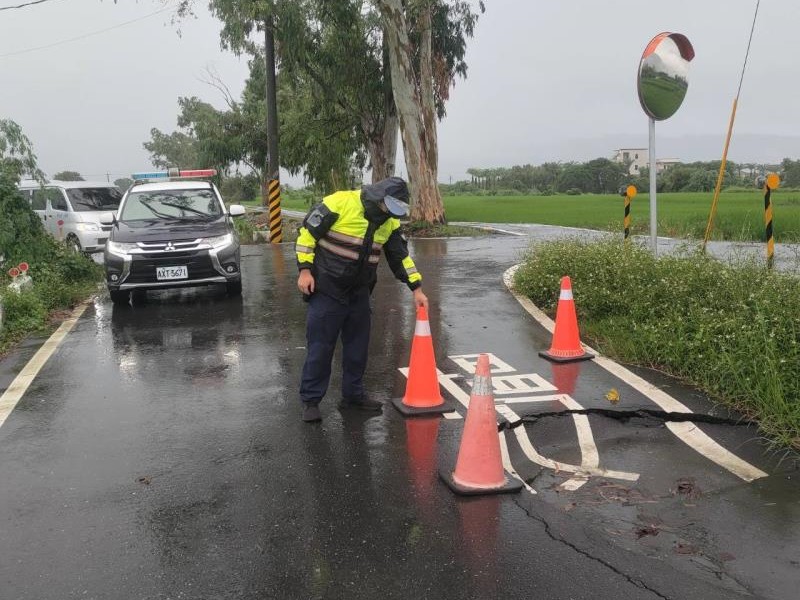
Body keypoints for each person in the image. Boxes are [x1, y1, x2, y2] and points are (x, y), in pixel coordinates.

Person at [295, 177, 429, 423]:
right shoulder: (339, 203)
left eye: (394, 211)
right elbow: (307, 235)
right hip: (327, 290)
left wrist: (416, 288)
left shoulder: (388, 223)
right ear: (378, 198)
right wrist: (304, 270)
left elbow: (400, 257)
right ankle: (311, 401)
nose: (389, 214)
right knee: (320, 349)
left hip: (359, 293)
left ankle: (353, 397)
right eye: (387, 208)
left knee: (357, 350)